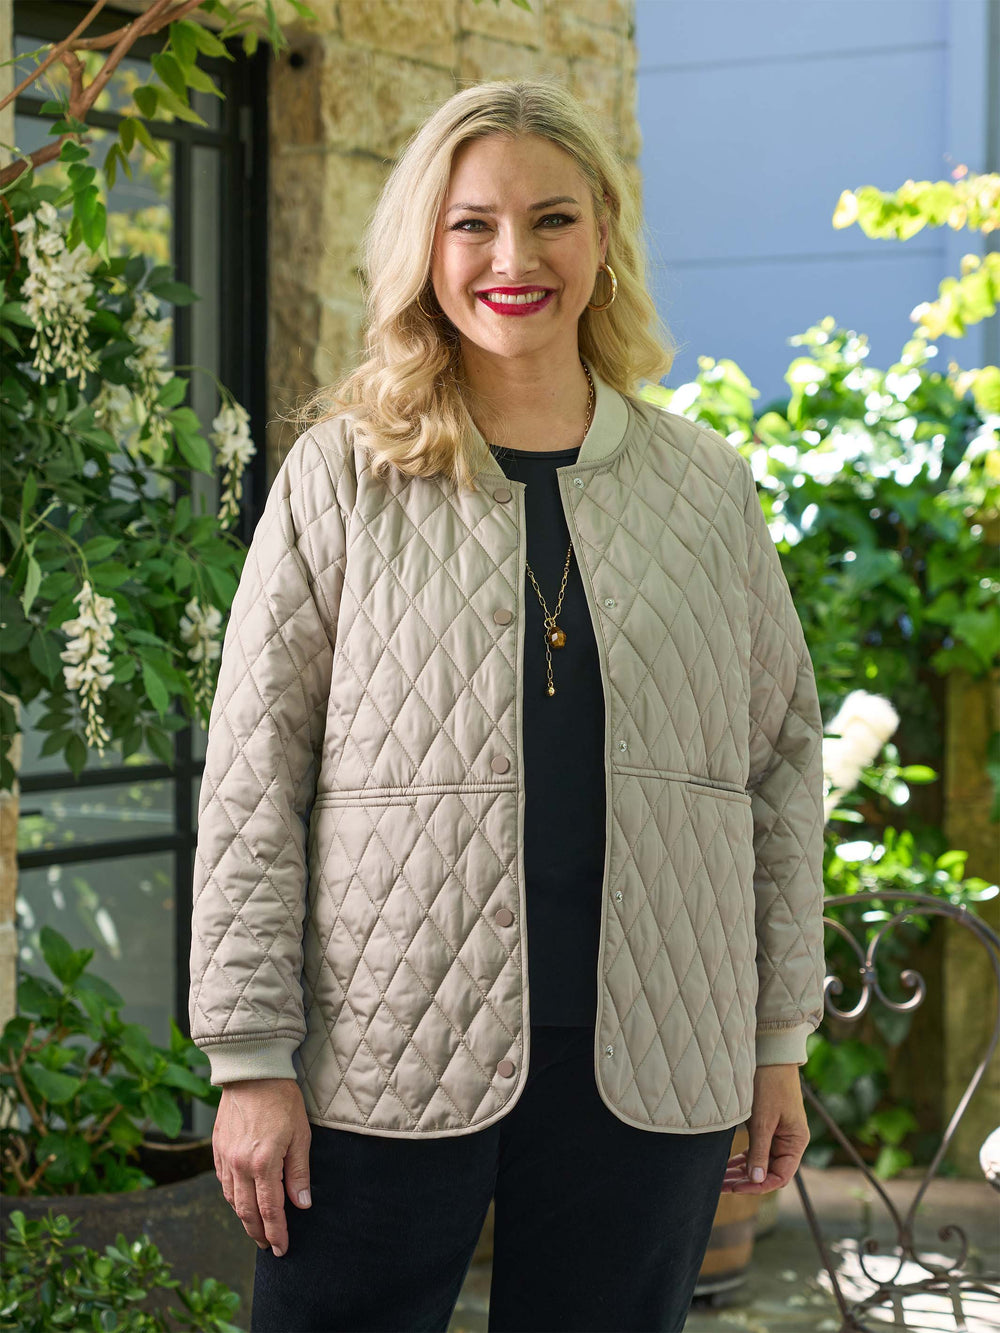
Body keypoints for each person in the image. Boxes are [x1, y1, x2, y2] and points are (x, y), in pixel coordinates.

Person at [188, 78, 828, 1333]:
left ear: (604, 236)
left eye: (552, 220)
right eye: (471, 224)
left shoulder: (706, 488)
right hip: (382, 1050)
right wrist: (250, 1059)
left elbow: (777, 767)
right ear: (424, 247)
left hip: (657, 1049)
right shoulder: (340, 477)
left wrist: (776, 1035)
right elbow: (254, 773)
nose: (513, 259)